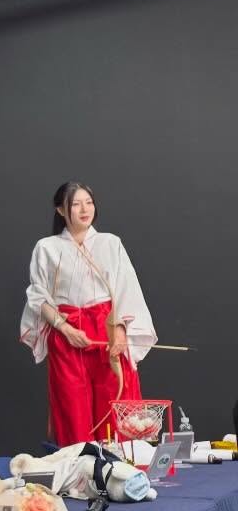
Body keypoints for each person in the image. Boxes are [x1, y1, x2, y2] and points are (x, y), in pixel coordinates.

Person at [20, 180, 155, 446]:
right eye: (76, 204)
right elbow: (38, 297)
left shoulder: (110, 243)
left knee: (115, 405)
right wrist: (65, 329)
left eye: (89, 203)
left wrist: (120, 332)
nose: (85, 209)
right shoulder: (47, 248)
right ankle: (80, 467)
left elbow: (126, 289)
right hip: (67, 333)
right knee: (74, 412)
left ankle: (122, 467)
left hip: (106, 330)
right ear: (61, 210)